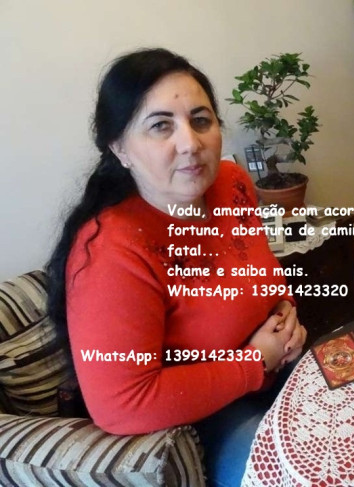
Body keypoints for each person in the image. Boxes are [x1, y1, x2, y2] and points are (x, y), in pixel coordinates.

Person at [46, 47, 307, 486]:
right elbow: (121, 404)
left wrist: (284, 310)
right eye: (160, 126)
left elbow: (258, 267)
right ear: (120, 148)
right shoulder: (112, 250)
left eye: (201, 120)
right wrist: (254, 363)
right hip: (199, 418)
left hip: (275, 375)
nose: (190, 143)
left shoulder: (231, 183)